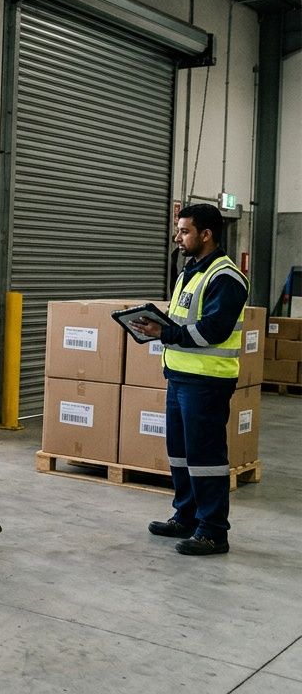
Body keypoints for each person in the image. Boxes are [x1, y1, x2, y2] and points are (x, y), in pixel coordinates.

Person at [127, 203, 247, 556]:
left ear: (206, 234)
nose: (177, 238)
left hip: (206, 381)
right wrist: (156, 323)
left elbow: (213, 329)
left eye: (184, 231)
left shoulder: (226, 276)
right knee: (179, 453)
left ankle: (213, 531)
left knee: (205, 455)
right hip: (180, 374)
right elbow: (182, 319)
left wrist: (165, 332)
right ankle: (187, 516)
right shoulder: (190, 271)